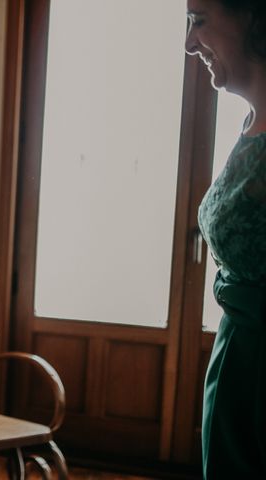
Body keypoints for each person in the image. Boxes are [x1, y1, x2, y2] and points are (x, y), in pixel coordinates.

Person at [185, 0, 266, 477]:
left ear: (253, 16)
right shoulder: (252, 120)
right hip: (236, 361)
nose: (190, 44)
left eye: (198, 21)